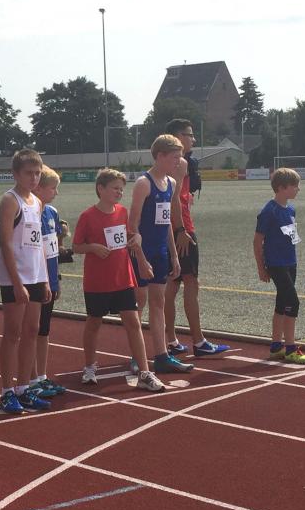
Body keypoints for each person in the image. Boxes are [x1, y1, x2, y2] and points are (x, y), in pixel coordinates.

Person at [72, 168, 165, 393]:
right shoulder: (87, 216)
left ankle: (144, 372)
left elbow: (133, 236)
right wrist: (93, 248)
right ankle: (89, 367)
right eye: (115, 188)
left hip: (123, 278)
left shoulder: (123, 212)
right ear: (100, 189)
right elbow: (76, 246)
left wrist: (140, 253)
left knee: (133, 323)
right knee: (94, 323)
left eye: (122, 189)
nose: (119, 192)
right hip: (97, 282)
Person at [163, 119, 229, 357]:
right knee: (189, 283)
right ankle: (198, 341)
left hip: (168, 228)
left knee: (172, 284)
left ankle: (170, 339)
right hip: (181, 229)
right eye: (189, 135)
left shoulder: (168, 163)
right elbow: (173, 198)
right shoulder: (180, 163)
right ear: (177, 137)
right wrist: (181, 230)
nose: (193, 139)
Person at [128, 135, 193, 375]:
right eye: (175, 157)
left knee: (159, 303)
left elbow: (166, 224)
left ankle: (162, 355)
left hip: (161, 252)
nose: (179, 162)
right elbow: (132, 225)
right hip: (142, 252)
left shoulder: (171, 183)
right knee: (139, 303)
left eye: (180, 157)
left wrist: (174, 256)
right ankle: (137, 356)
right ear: (160, 156)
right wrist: (141, 258)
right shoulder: (143, 184)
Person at [0, 149, 52, 413]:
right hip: (15, 277)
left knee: (32, 330)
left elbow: (38, 243)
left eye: (37, 173)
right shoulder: (10, 201)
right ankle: (7, 391)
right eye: (29, 173)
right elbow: (6, 244)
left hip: (36, 276)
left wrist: (45, 279)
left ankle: (24, 387)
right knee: (13, 333)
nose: (34, 178)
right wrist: (17, 283)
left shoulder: (37, 202)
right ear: (16, 174)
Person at [253, 168, 305, 365]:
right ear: (281, 188)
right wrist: (261, 268)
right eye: (295, 186)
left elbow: (291, 236)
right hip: (276, 264)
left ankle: (276, 346)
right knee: (293, 303)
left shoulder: (290, 210)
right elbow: (257, 241)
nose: (298, 189)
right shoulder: (269, 211)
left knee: (282, 303)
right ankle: (291, 348)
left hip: (290, 262)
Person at [29, 165, 67, 397]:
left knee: (44, 331)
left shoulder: (52, 213)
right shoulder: (30, 212)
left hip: (50, 280)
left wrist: (56, 279)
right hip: (34, 279)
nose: (56, 193)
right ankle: (31, 378)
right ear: (39, 188)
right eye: (53, 188)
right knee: (31, 331)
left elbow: (53, 250)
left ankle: (42, 376)